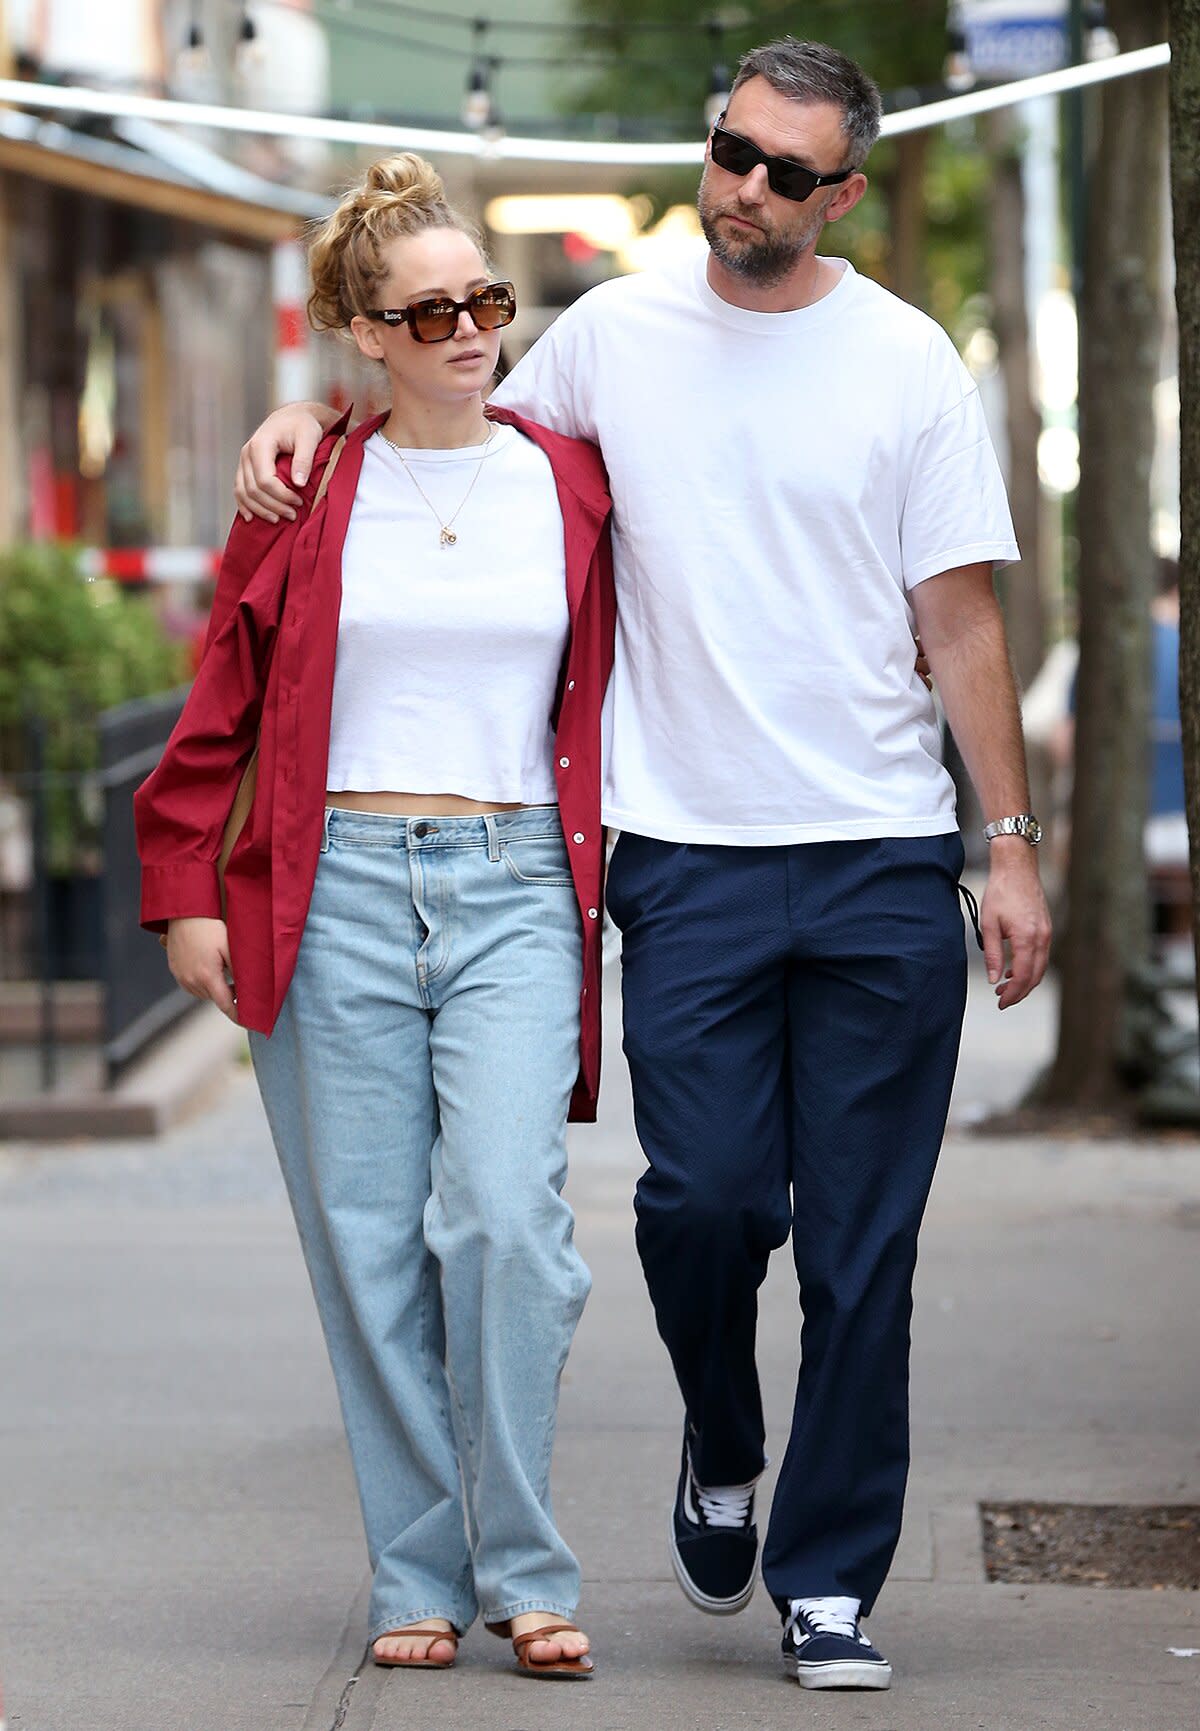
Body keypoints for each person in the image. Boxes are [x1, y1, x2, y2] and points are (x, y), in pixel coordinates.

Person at [233, 37, 1052, 1692]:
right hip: (684, 857)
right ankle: (722, 1431)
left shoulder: (905, 363)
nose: (749, 187)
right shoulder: (606, 337)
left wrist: (1010, 844)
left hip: (885, 854)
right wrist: (298, 417)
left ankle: (829, 1577)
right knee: (703, 1206)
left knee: (862, 1246)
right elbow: (437, 418)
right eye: (734, 151)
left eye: (789, 171)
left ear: (848, 193)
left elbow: (961, 618)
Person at [135, 154, 618, 1679]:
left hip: (518, 887)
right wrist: (183, 896)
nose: (473, 330)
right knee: (365, 1245)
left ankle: (528, 1563)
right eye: (434, 312)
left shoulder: (572, 478)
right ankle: (418, 1570)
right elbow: (219, 700)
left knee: (504, 1223)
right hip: (332, 887)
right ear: (364, 332)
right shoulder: (311, 487)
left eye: (490, 301)